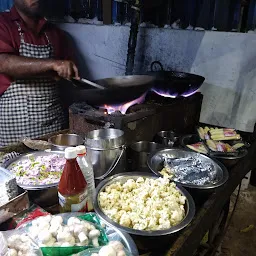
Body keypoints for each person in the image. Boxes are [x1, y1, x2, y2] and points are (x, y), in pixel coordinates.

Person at [0, 0, 79, 147]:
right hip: (16, 128)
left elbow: (70, 75)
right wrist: (53, 64)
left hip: (54, 124)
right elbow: (3, 62)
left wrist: (67, 72)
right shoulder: (3, 24)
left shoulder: (56, 34)